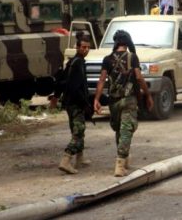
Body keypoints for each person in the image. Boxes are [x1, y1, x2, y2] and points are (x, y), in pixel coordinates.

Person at [93, 30, 154, 176]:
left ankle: (124, 158)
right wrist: (148, 95)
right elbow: (139, 78)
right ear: (127, 43)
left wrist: (96, 99)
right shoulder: (132, 57)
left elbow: (101, 80)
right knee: (127, 129)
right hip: (129, 99)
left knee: (120, 130)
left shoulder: (107, 59)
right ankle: (120, 163)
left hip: (113, 101)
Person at [50, 34, 92, 174]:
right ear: (78, 47)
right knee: (78, 132)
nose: (86, 50)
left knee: (78, 129)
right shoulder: (77, 63)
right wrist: (85, 104)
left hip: (70, 103)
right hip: (75, 103)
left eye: (88, 47)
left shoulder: (73, 61)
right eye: (83, 47)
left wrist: (56, 97)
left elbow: (62, 81)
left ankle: (80, 158)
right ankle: (66, 160)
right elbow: (74, 87)